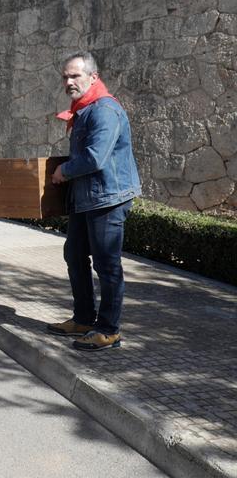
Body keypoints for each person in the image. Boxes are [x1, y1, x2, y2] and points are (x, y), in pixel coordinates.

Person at [48, 51, 141, 351]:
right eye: (65, 77)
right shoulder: (85, 109)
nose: (69, 82)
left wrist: (64, 170)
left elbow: (95, 157)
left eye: (75, 75)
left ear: (93, 77)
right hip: (86, 199)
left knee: (107, 265)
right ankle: (84, 319)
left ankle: (109, 329)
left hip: (108, 199)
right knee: (74, 256)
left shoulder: (104, 110)